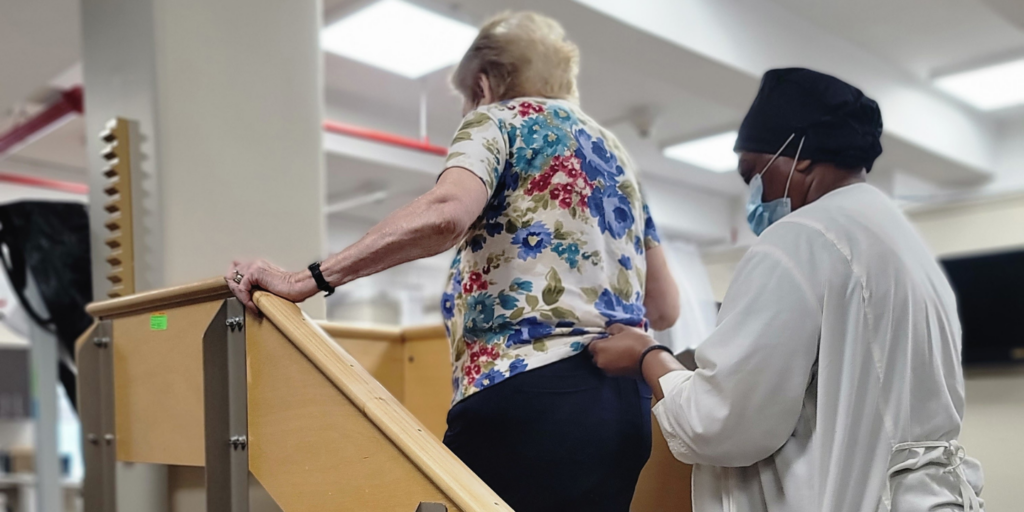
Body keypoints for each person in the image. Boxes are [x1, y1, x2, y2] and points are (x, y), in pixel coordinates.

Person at [226, 11, 679, 512]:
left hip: (523, 394)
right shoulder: (615, 155)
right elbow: (664, 308)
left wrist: (306, 279)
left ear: (483, 84)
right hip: (622, 409)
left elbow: (446, 215)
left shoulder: (498, 120)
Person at [589, 68, 985, 512]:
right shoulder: (899, 241)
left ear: (802, 156)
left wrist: (647, 357)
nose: (755, 194)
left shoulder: (801, 239)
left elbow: (728, 421)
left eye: (753, 173)